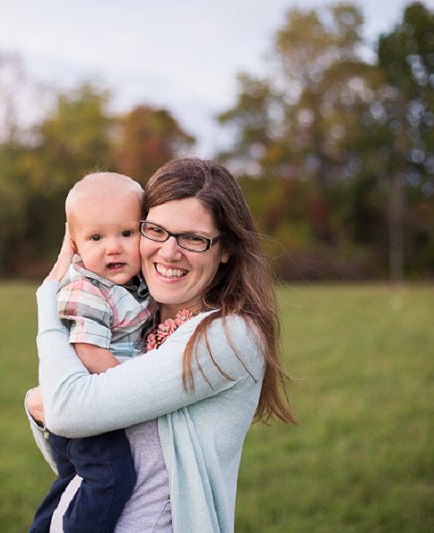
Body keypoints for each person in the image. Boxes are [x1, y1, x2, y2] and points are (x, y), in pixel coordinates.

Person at [26, 157, 296, 532]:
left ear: (226, 248)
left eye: (193, 238)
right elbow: (82, 462)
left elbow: (67, 411)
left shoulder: (228, 336)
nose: (169, 252)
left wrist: (47, 300)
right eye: (155, 230)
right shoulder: (135, 320)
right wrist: (45, 406)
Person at [29, 172, 156, 533]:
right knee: (109, 479)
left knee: (71, 482)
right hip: (90, 409)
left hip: (93, 407)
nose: (112, 247)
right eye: (96, 237)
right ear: (74, 243)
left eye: (126, 234)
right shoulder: (86, 289)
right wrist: (135, 389)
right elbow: (88, 352)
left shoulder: (134, 283)